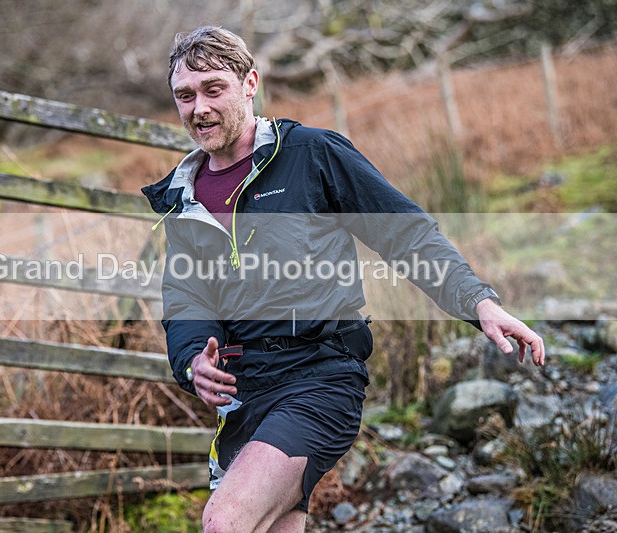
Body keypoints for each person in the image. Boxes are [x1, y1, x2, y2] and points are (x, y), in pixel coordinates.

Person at [141, 26, 545, 533]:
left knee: (226, 522)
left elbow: (406, 236)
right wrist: (191, 361)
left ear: (250, 84)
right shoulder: (184, 198)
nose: (198, 108)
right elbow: (185, 299)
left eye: (213, 89)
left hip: (320, 377)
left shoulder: (311, 155)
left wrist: (479, 302)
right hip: (245, 394)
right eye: (185, 95)